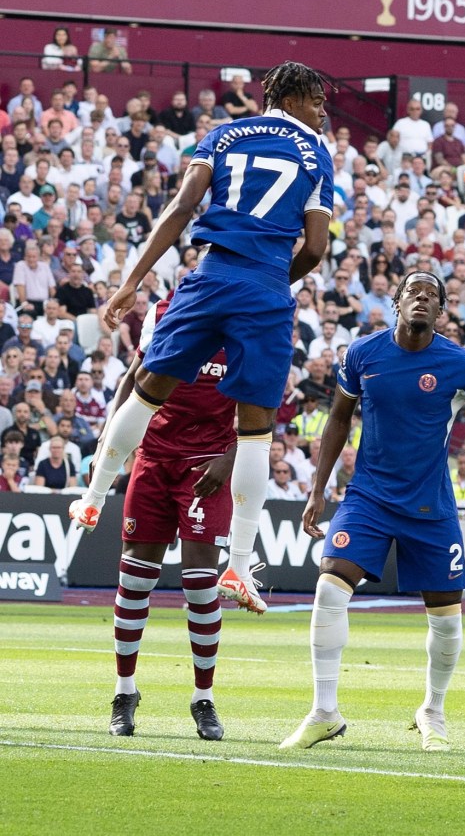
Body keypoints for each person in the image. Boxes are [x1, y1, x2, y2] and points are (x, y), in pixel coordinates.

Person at [67, 62, 334, 618]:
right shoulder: (315, 153)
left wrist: (130, 282)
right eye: (317, 101)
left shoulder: (223, 135)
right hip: (263, 287)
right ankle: (238, 561)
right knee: (257, 431)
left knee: (146, 388)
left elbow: (182, 208)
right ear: (291, 95)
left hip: (211, 275)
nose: (323, 111)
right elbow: (314, 249)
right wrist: (267, 279)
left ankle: (92, 500)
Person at [280, 270, 465, 753]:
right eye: (413, 291)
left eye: (431, 296)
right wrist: (318, 489)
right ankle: (324, 712)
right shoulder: (362, 354)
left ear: (441, 311)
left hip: (430, 506)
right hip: (369, 497)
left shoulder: (461, 364)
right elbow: (336, 420)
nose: (421, 299)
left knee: (448, 621)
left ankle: (432, 710)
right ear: (396, 302)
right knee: (330, 584)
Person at [102, 297, 236, 741]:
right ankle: (125, 691)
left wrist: (230, 458)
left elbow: (265, 408)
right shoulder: (163, 314)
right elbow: (133, 380)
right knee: (135, 580)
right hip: (154, 458)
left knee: (200, 582)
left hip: (207, 464)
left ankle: (204, 698)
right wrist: (110, 446)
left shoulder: (247, 320)